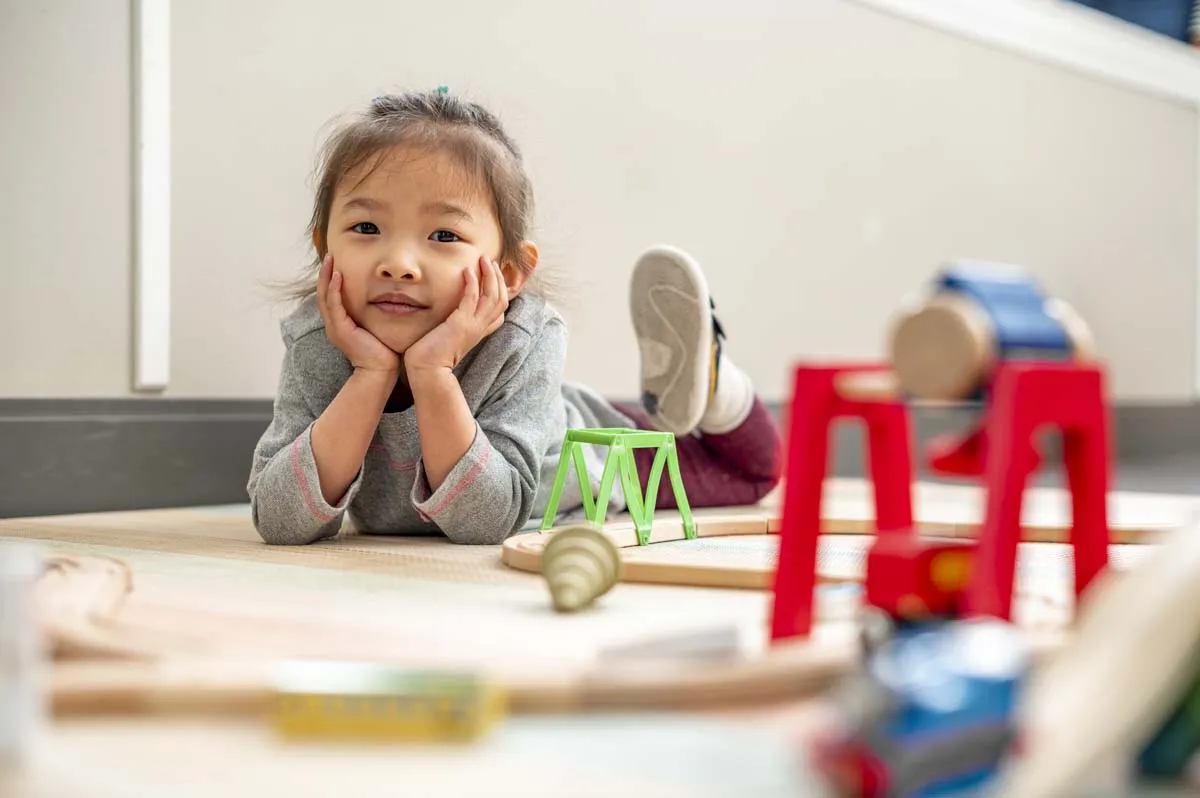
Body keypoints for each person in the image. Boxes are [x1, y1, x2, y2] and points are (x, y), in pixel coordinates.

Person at [248, 89, 782, 546]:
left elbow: (488, 520)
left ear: (507, 274)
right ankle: (691, 383)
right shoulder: (317, 339)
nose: (399, 264)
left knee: (753, 472)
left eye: (443, 235)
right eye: (366, 228)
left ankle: (714, 380)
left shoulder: (525, 339)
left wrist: (431, 372)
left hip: (588, 453)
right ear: (324, 248)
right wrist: (371, 374)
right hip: (533, 421)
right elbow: (278, 520)